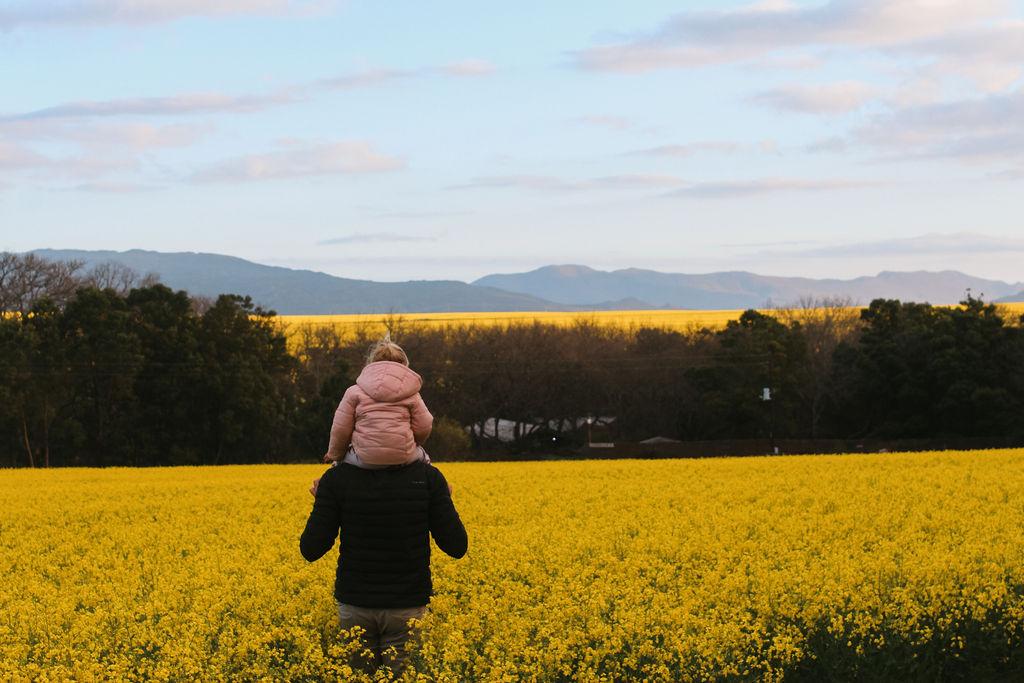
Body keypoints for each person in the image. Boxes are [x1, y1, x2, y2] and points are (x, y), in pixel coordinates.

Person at [323, 335, 434, 469]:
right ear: (404, 365)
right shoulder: (412, 394)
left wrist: (335, 454)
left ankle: (322, 486)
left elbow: (341, 428)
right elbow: (425, 424)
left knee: (338, 465)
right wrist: (415, 441)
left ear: (371, 363)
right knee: (424, 458)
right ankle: (439, 486)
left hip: (363, 459)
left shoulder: (354, 392)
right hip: (402, 457)